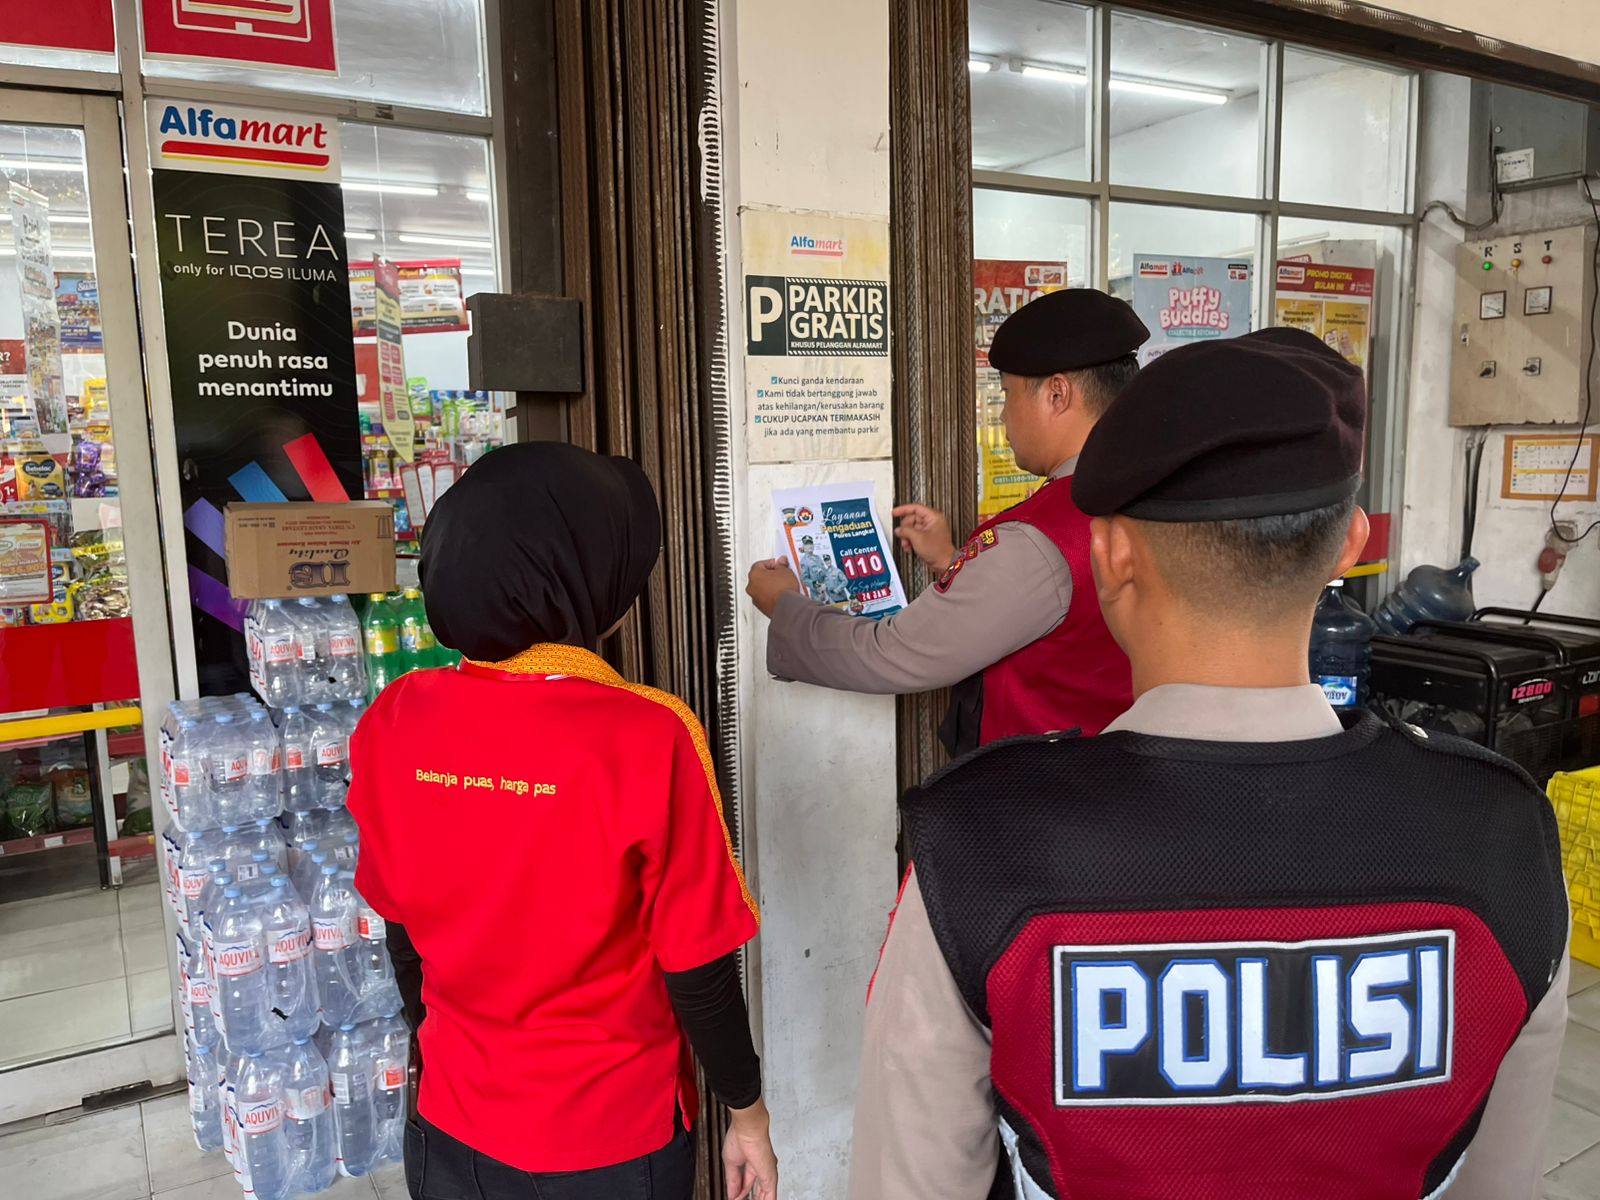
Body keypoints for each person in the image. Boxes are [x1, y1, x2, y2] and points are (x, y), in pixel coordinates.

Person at [850, 329, 1569, 1200]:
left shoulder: (980, 850)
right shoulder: (1501, 837)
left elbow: (912, 1182)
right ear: (1350, 545)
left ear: (1111, 555)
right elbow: (1500, 1181)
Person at [348, 443, 778, 1200]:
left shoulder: (393, 721)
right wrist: (748, 1115)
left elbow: (401, 933)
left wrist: (445, 1048)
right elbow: (697, 967)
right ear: (577, 578)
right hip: (610, 1140)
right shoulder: (649, 736)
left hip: (451, 1127)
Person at [747, 289, 1150, 755]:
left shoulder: (1039, 539)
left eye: (1007, 393)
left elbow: (892, 654)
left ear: (1057, 393)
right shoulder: (1159, 494)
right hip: (1124, 783)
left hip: (1037, 804)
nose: (1002, 414)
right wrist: (953, 561)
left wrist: (785, 606)